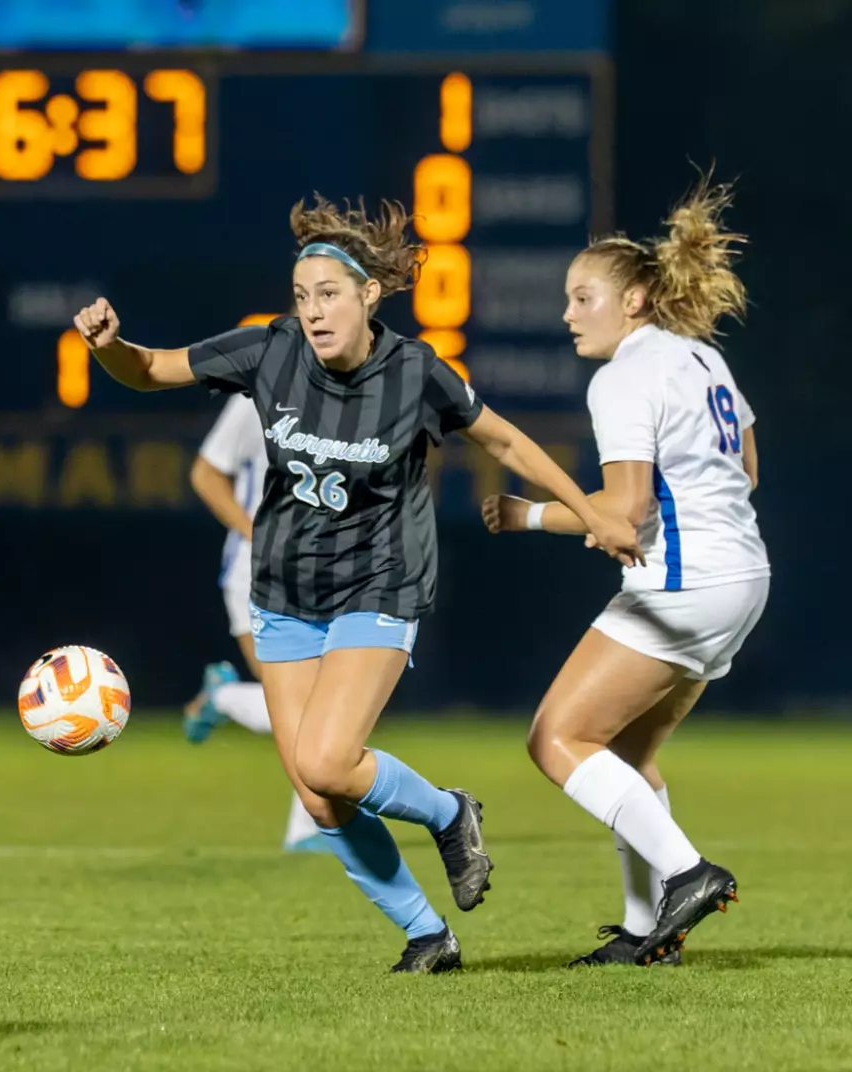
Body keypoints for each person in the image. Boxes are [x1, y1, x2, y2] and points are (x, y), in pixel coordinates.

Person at [73, 194, 641, 973]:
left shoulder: (415, 372)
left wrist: (591, 512)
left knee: (331, 760)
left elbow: (505, 438)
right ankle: (427, 935)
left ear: (370, 294)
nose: (312, 310)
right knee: (316, 794)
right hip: (282, 590)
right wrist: (108, 345)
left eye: (329, 294)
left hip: (380, 583)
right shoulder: (268, 352)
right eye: (302, 296)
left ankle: (449, 815)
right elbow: (147, 370)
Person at [481, 177, 765, 967]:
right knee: (629, 756)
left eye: (583, 297)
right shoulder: (702, 358)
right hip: (742, 576)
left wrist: (531, 514)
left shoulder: (625, 375)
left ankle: (688, 873)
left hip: (686, 581)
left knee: (556, 738)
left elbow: (629, 506)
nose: (568, 313)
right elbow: (745, 467)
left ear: (636, 299)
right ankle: (650, 933)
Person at [181, 391, 325, 853]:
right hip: (256, 573)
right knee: (305, 710)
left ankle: (221, 696)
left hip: (326, 572)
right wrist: (255, 536)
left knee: (324, 708)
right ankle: (308, 831)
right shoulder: (258, 397)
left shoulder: (356, 397)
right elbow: (205, 473)